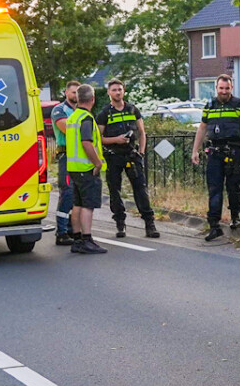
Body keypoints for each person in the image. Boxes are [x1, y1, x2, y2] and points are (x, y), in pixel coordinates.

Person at [192, 74, 240, 243]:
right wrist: (195, 151)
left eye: (227, 88)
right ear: (216, 88)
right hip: (214, 151)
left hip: (234, 151)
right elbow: (202, 129)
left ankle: (235, 217)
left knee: (233, 186)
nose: (224, 91)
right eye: (221, 88)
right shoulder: (210, 106)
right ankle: (214, 225)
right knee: (214, 188)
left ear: (232, 88)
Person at [98, 79, 159, 240]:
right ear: (109, 93)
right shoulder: (105, 113)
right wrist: (116, 140)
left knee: (140, 189)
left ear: (124, 91)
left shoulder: (132, 109)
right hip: (114, 156)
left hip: (132, 155)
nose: (118, 92)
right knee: (115, 191)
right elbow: (99, 138)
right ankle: (120, 223)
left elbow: (141, 132)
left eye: (120, 89)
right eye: (114, 90)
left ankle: (149, 224)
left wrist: (141, 151)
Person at [56, 83, 108, 255]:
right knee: (88, 205)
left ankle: (77, 239)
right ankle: (87, 239)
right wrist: (97, 162)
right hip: (86, 168)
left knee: (77, 204)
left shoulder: (73, 117)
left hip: (73, 167)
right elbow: (86, 142)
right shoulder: (86, 118)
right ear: (92, 99)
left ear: (78, 99)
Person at [50, 81, 82, 246]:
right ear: (66, 93)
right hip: (66, 155)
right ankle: (61, 232)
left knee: (77, 194)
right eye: (73, 92)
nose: (76, 95)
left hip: (80, 156)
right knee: (67, 192)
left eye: (79, 92)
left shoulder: (81, 110)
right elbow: (66, 129)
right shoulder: (60, 110)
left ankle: (72, 229)